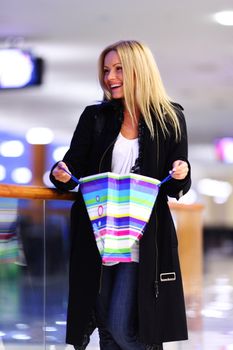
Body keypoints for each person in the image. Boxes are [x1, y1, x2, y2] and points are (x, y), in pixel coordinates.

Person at [50, 40, 191, 350]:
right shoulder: (95, 117)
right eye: (106, 70)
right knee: (107, 331)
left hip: (140, 235)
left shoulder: (170, 117)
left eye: (118, 69)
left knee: (122, 326)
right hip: (98, 233)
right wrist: (60, 173)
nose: (109, 78)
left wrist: (181, 171)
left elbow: (176, 182)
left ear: (139, 71)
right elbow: (71, 165)